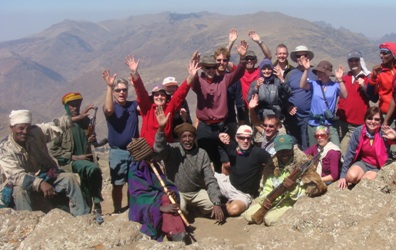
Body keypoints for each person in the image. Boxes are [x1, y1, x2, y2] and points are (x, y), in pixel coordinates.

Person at [0, 110, 89, 216]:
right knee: (19, 191)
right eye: (21, 128)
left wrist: (77, 118)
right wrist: (40, 183)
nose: (25, 132)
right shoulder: (5, 150)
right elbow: (17, 176)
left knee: (70, 178)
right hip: (25, 184)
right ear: (12, 128)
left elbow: (54, 125)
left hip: (45, 175)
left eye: (27, 128)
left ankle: (81, 216)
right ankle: (28, 221)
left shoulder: (35, 133)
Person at [153, 106, 224, 223]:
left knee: (214, 206)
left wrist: (216, 202)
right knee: (179, 210)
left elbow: (210, 179)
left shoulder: (202, 154)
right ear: (179, 139)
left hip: (196, 192)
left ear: (195, 138)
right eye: (184, 137)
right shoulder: (172, 149)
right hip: (177, 192)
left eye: (190, 136)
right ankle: (187, 210)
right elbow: (158, 149)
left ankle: (195, 210)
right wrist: (161, 128)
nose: (187, 140)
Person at [244, 134, 326, 226]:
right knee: (248, 216)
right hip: (274, 199)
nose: (284, 153)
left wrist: (293, 189)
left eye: (287, 150)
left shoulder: (302, 163)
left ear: (292, 148)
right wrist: (266, 200)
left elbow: (314, 188)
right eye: (280, 151)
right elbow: (267, 185)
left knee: (269, 219)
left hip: (290, 201)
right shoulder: (272, 164)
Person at [191, 41, 247, 173]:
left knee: (225, 161)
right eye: (207, 67)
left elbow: (238, 73)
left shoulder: (224, 80)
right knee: (204, 159)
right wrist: (193, 72)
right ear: (203, 68)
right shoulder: (199, 81)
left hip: (222, 127)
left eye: (213, 67)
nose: (211, 70)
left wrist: (242, 59)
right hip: (204, 128)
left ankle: (225, 187)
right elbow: (193, 84)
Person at [49, 92, 104, 222]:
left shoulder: (85, 121)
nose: (75, 108)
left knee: (87, 185)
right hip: (72, 163)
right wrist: (73, 157)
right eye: (72, 105)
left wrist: (91, 139)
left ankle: (90, 214)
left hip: (88, 159)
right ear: (66, 107)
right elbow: (53, 149)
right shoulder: (61, 125)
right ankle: (97, 202)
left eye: (77, 105)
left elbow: (91, 140)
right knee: (93, 169)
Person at [125, 55, 199, 147]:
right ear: (152, 97)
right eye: (156, 95)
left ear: (167, 97)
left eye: (162, 94)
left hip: (166, 152)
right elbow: (141, 92)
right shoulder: (147, 108)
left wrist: (191, 76)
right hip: (147, 152)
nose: (159, 97)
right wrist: (135, 73)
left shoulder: (170, 107)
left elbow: (180, 93)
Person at [127, 137, 186, 242]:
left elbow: (165, 184)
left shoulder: (153, 165)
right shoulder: (135, 171)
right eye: (146, 158)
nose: (150, 160)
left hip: (159, 197)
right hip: (145, 206)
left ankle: (178, 231)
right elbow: (138, 198)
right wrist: (159, 208)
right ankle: (174, 231)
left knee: (167, 199)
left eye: (150, 156)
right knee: (165, 204)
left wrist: (172, 193)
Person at [102, 70, 139, 214]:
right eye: (118, 90)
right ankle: (117, 209)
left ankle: (132, 209)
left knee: (133, 183)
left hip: (135, 150)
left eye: (124, 90)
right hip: (118, 152)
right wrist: (109, 87)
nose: (121, 93)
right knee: (117, 184)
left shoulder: (133, 105)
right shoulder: (111, 106)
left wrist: (137, 84)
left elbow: (145, 106)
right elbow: (109, 109)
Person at [217, 125, 271, 217]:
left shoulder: (258, 153)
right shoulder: (232, 148)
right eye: (242, 138)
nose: (245, 141)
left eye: (248, 138)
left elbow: (273, 162)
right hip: (228, 184)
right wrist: (219, 136)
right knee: (204, 177)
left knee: (233, 210)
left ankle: (221, 206)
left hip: (243, 194)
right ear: (236, 138)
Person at [338, 107, 391, 189]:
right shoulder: (358, 131)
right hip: (363, 163)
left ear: (381, 121)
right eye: (370, 118)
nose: (373, 122)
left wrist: (394, 137)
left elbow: (393, 140)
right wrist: (343, 175)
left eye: (377, 119)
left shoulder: (384, 132)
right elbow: (350, 153)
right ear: (365, 119)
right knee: (350, 177)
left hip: (378, 167)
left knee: (365, 182)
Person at [300, 59, 348, 147]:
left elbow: (344, 95)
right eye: (318, 72)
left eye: (321, 72)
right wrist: (306, 70)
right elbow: (302, 85)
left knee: (335, 148)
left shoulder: (335, 86)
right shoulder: (314, 84)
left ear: (327, 74)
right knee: (314, 150)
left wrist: (340, 80)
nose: (318, 74)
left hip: (329, 124)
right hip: (314, 123)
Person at [336, 50, 376, 153]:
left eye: (356, 60)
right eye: (351, 61)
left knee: (345, 151)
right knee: (337, 148)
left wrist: (364, 86)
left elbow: (374, 98)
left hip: (357, 123)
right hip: (342, 120)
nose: (353, 63)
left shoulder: (368, 78)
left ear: (360, 61)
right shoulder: (344, 77)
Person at [226, 29, 272, 106]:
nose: (249, 61)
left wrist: (259, 41)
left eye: (252, 58)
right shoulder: (238, 71)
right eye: (247, 58)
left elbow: (269, 56)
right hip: (243, 107)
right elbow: (224, 61)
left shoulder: (260, 70)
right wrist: (231, 42)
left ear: (256, 60)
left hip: (258, 105)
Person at [283, 45, 316, 150]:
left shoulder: (315, 73)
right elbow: (284, 94)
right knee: (296, 144)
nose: (301, 58)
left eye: (304, 55)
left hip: (311, 117)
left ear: (308, 57)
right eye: (298, 56)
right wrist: (288, 106)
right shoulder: (290, 74)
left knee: (310, 144)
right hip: (294, 117)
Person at [370, 42, 396, 125]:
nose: (381, 56)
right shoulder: (378, 71)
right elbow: (372, 96)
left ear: (393, 54)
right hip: (386, 114)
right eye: (381, 53)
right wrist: (373, 78)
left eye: (385, 53)